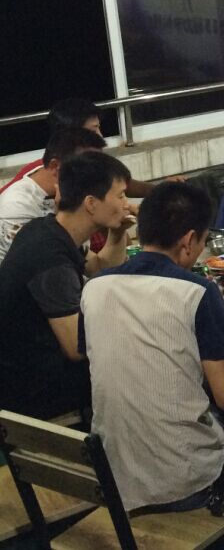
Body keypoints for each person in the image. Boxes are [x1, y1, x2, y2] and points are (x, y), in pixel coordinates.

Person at [80, 183, 224, 513]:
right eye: (203, 241)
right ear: (188, 240)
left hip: (112, 475)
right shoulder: (198, 292)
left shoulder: (94, 288)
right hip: (187, 481)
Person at [0, 152, 132, 419]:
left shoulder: (47, 229)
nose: (126, 204)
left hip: (35, 376)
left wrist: (118, 232)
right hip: (36, 394)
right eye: (120, 196)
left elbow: (101, 267)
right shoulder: (50, 259)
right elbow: (76, 347)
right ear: (91, 203)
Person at [1, 97, 180, 199]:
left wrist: (162, 190)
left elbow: (119, 183)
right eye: (93, 130)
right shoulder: (30, 189)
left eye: (99, 128)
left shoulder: (86, 167)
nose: (100, 137)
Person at [0, 128, 109, 266]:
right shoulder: (17, 204)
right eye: (87, 168)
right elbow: (45, 268)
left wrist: (117, 231)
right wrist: (65, 217)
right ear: (55, 166)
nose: (95, 177)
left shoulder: (71, 193)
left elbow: (95, 266)